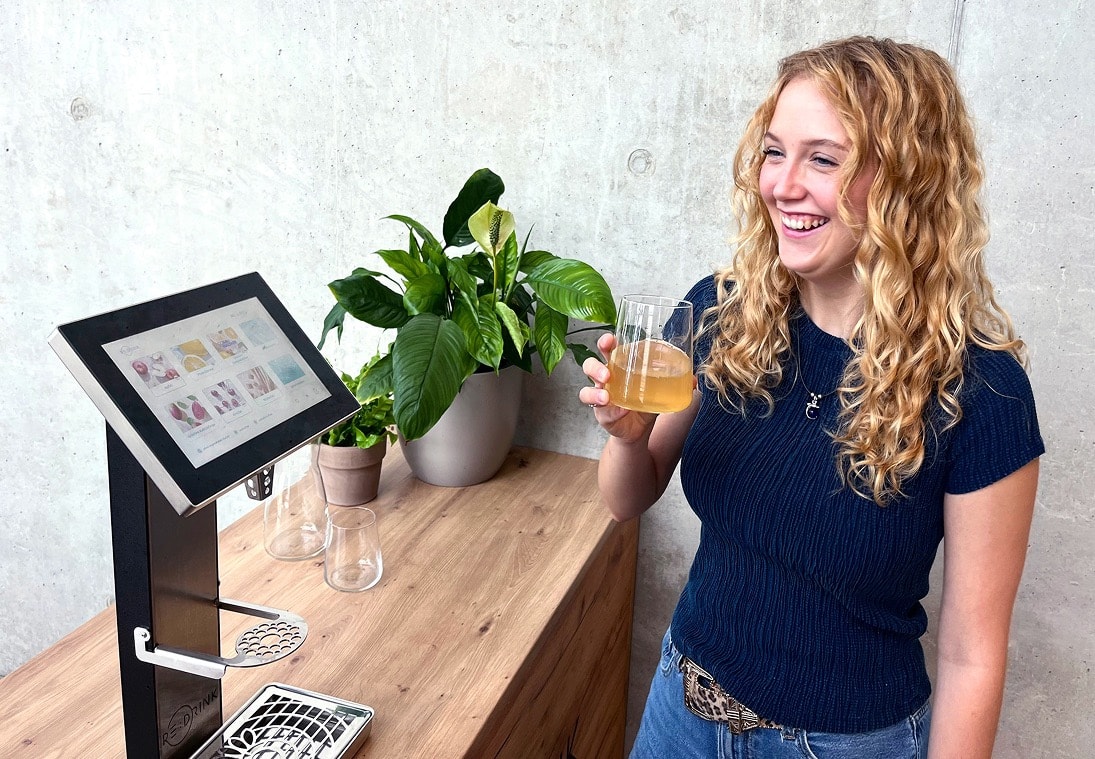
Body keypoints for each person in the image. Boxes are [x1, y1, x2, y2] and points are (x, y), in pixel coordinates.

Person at [580, 36, 1043, 759]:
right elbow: (624, 499)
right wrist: (628, 438)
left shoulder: (981, 392)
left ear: (906, 182)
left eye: (823, 160)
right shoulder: (721, 315)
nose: (781, 185)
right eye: (774, 152)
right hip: (682, 711)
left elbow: (971, 656)